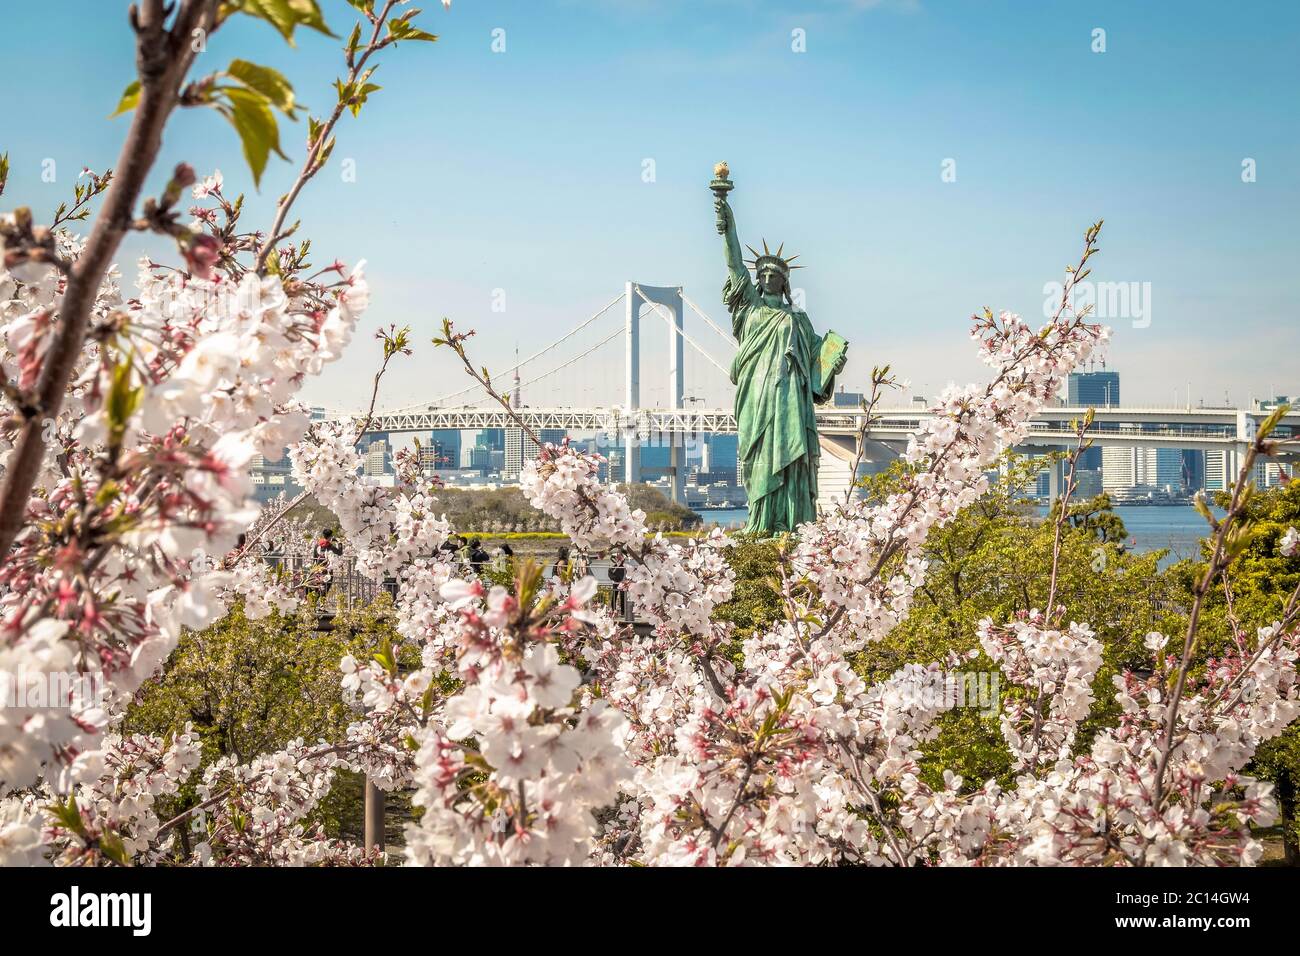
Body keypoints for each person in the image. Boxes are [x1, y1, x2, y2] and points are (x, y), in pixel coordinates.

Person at [309, 528, 343, 599]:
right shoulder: (330, 546)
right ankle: (322, 605)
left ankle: (313, 605)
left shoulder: (317, 545)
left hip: (318, 569)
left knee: (318, 587)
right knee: (326, 587)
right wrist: (339, 542)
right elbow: (339, 553)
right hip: (327, 570)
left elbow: (314, 557)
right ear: (330, 537)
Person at [607, 548, 627, 617]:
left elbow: (623, 560)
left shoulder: (623, 564)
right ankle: (613, 610)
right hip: (615, 582)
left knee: (622, 597)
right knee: (614, 597)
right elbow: (611, 572)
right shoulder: (614, 566)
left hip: (622, 582)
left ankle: (623, 612)